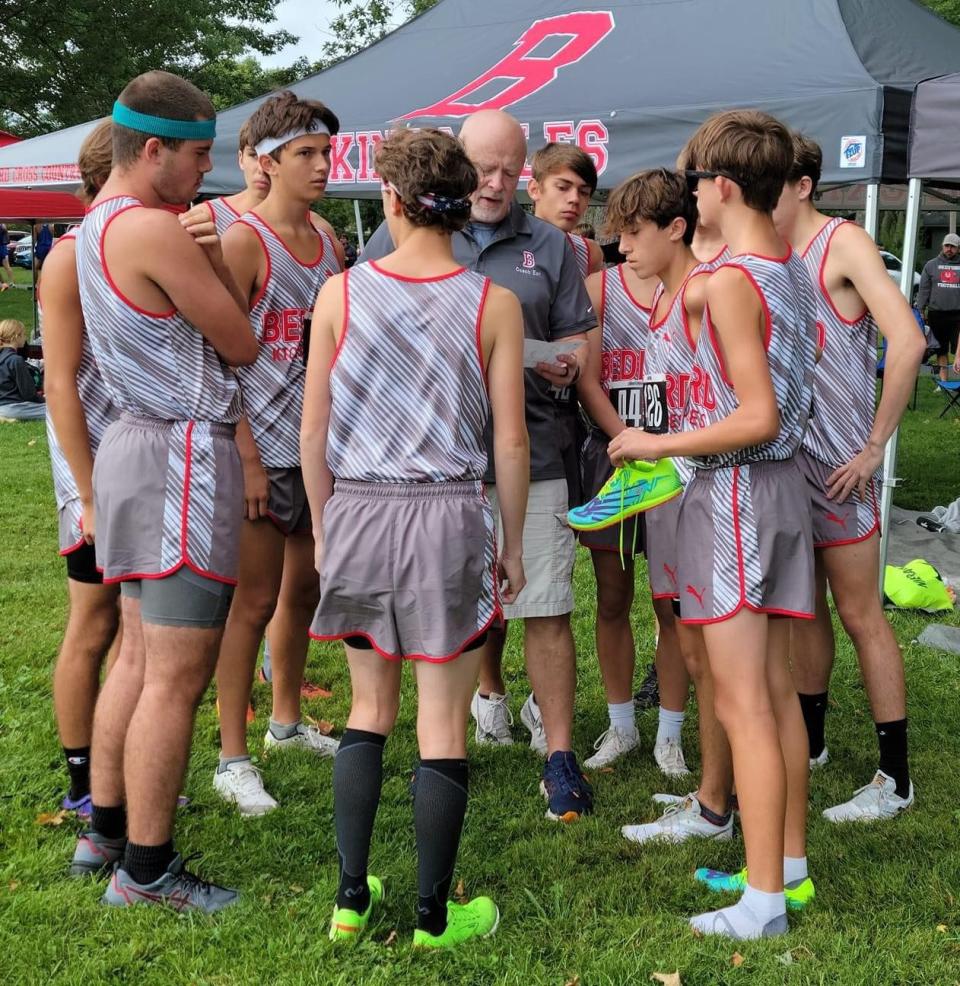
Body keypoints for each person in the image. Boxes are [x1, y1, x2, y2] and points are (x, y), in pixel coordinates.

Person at [303, 127, 528, 947]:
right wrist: (509, 542)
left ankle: (350, 898)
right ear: (464, 202)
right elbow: (511, 440)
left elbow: (314, 429)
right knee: (442, 719)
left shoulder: (342, 293)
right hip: (447, 516)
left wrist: (327, 527)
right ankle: (435, 914)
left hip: (359, 508)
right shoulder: (491, 301)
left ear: (391, 201)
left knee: (368, 708)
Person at [610, 110, 818, 939]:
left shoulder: (730, 278)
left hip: (736, 498)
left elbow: (757, 415)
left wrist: (656, 441)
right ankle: (787, 867)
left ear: (719, 187)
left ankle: (762, 901)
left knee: (744, 706)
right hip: (773, 497)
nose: (689, 194)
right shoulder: (787, 264)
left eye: (693, 181)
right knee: (771, 693)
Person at [360, 110, 597, 823]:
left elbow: (581, 333)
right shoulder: (402, 232)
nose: (493, 184)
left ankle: (559, 755)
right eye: (481, 169)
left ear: (524, 170)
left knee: (546, 608)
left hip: (537, 445)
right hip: (437, 465)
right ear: (458, 164)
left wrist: (569, 359)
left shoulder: (551, 245)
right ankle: (443, 750)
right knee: (444, 616)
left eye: (506, 170)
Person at [68, 70, 258, 912]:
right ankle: (146, 871)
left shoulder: (90, 226)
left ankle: (104, 832)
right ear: (152, 150)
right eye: (196, 156)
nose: (203, 176)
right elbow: (243, 342)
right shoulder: (153, 229)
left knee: (139, 655)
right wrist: (218, 255)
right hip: (182, 451)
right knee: (177, 675)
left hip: (129, 446)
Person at [776, 134, 925, 821]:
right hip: (781, 470)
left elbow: (910, 339)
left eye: (769, 182)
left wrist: (873, 448)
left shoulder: (843, 244)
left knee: (861, 613)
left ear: (803, 185)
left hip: (840, 470)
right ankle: (809, 746)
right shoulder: (765, 252)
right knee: (802, 608)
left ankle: (894, 777)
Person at [207, 90, 342, 818]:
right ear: (265, 161)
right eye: (306, 154)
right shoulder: (243, 241)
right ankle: (232, 755)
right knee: (251, 603)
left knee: (305, 591)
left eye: (325, 152)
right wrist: (248, 457)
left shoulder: (328, 238)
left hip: (318, 448)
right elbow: (217, 361)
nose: (323, 165)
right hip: (259, 446)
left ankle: (285, 723)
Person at [573, 171, 688, 771]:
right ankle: (621, 726)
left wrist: (661, 451)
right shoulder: (600, 288)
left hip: (678, 463)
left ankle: (670, 730)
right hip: (616, 458)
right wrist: (626, 440)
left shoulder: (693, 288)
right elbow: (588, 379)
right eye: (616, 234)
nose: (621, 245)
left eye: (631, 232)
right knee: (612, 597)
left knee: (672, 605)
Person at [41, 119, 121, 820]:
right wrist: (88, 490)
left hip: (136, 462)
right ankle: (81, 780)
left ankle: (114, 772)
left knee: (130, 625)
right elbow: (59, 384)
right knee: (93, 620)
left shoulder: (128, 246)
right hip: (91, 465)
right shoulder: (70, 257)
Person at [918, 232, 960, 383]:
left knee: (958, 350)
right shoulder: (931, 265)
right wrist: (921, 309)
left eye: (953, 247)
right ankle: (943, 382)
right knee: (940, 350)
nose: (949, 249)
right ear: (942, 246)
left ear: (958, 249)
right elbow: (924, 289)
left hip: (957, 315)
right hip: (937, 314)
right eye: (947, 246)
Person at [0, 319, 45, 420]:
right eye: (24, 334)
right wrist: (45, 400)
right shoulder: (16, 360)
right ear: (17, 336)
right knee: (57, 410)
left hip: (3, 406)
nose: (25, 338)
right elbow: (29, 394)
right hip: (14, 408)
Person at [0, 224, 13, 289]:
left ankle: (11, 282)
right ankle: (3, 282)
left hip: (2, 247)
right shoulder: (3, 225)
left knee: (7, 266)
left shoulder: (2, 225)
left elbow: (5, 230)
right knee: (7, 266)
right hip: (2, 247)